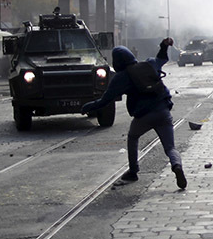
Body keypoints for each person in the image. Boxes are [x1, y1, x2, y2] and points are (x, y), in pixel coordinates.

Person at [80, 38, 187, 189]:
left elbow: (105, 101)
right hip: (163, 110)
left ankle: (133, 171)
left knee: (133, 137)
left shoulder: (121, 77)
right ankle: (176, 165)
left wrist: (88, 106)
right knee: (170, 147)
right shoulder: (149, 63)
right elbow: (162, 58)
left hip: (144, 116)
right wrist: (164, 45)